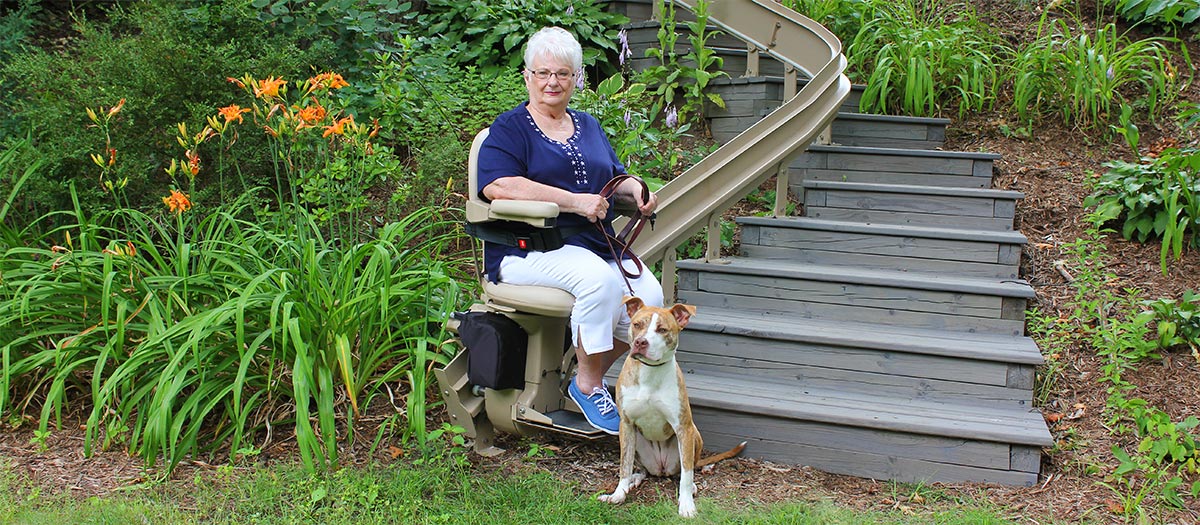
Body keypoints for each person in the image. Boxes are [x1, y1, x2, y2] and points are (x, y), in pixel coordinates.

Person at [475, 26, 664, 435]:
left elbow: (615, 175)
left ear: (576, 79)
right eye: (542, 73)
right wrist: (574, 201)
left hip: (590, 244)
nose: (552, 82)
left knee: (650, 300)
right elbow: (498, 184)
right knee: (600, 283)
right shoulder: (510, 128)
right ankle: (589, 383)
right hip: (524, 249)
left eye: (562, 74)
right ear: (527, 77)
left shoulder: (589, 126)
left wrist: (636, 190)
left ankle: (580, 369)